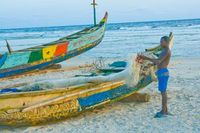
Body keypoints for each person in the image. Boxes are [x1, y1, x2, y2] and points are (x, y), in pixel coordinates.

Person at [138, 36, 171, 118]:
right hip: (162, 72)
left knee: (163, 93)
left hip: (163, 72)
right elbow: (159, 61)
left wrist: (145, 57)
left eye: (162, 41)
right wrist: (151, 64)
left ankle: (164, 111)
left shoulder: (166, 50)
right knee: (163, 92)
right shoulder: (164, 50)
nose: (160, 43)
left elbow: (158, 61)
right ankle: (165, 110)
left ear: (166, 42)